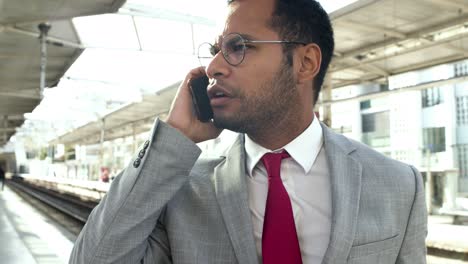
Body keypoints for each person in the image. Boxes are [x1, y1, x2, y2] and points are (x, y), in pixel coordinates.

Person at [70, 0, 427, 263]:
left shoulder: (398, 184)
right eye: (215, 50)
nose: (213, 67)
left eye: (238, 47)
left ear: (305, 63)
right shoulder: (180, 189)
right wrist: (174, 138)